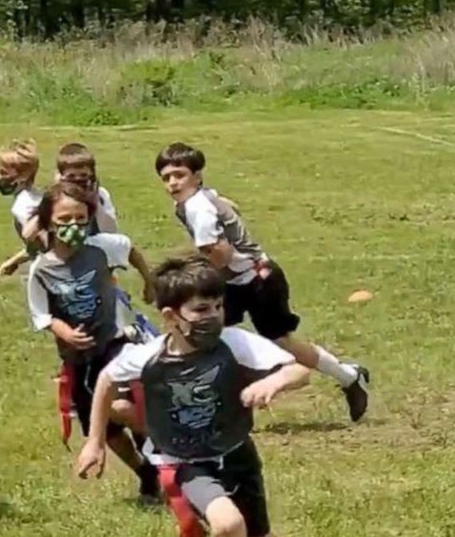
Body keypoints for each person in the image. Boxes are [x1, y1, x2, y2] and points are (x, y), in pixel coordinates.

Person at [75, 255, 315, 537]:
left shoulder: (233, 344)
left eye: (218, 306)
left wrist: (274, 381)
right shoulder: (147, 356)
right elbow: (105, 380)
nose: (213, 316)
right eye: (201, 310)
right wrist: (95, 441)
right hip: (187, 462)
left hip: (237, 454)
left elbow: (299, 370)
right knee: (227, 524)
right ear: (171, 316)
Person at [154, 141, 372, 423]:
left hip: (258, 281)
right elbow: (227, 205)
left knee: (279, 341)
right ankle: (221, 403)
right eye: (166, 178)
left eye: (179, 175)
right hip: (242, 279)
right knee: (209, 336)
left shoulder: (198, 208)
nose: (172, 183)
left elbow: (220, 255)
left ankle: (350, 376)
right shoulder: (197, 198)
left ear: (197, 175)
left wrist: (191, 271)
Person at [24, 181, 160, 502]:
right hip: (78, 358)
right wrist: (64, 332)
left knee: (121, 405)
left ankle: (158, 449)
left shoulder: (102, 247)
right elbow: (41, 314)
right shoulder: (41, 270)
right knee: (105, 432)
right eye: (65, 220)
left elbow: (131, 250)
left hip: (116, 342)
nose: (74, 227)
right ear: (47, 224)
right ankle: (146, 473)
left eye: (81, 219)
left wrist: (149, 280)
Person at [0, 139, 43, 276]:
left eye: (3, 173)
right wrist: (15, 261)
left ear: (24, 175)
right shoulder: (36, 196)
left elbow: (45, 247)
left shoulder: (24, 208)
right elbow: (36, 248)